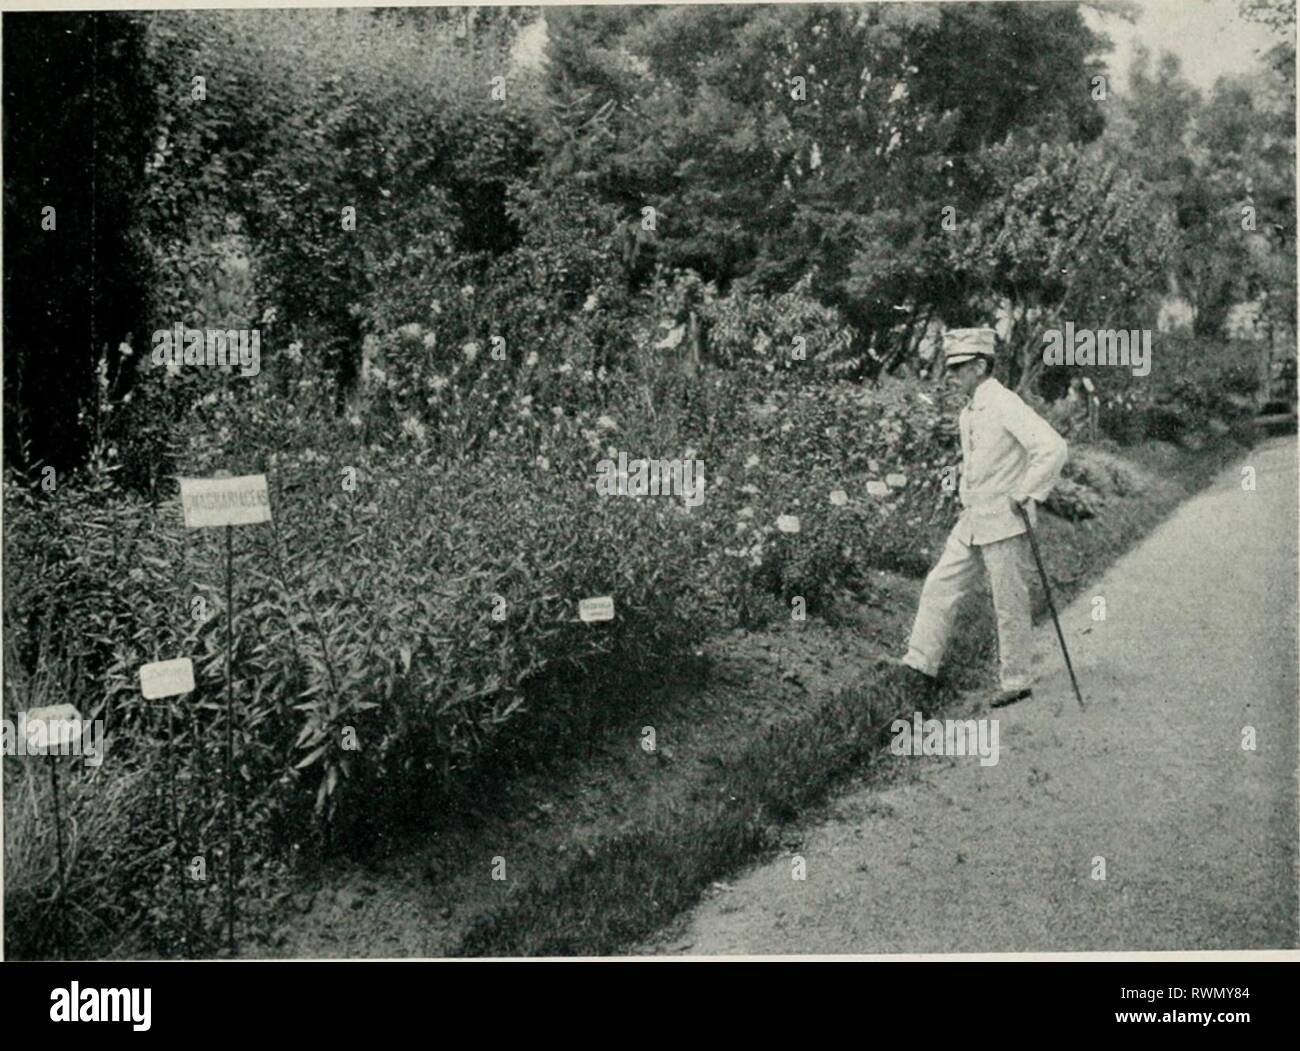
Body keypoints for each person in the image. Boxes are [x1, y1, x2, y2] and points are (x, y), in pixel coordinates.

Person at [888, 327, 1068, 708]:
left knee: (1009, 601)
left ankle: (1016, 679)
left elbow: (1052, 447)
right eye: (950, 367)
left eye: (959, 367)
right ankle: (918, 665)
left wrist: (1025, 492)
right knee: (940, 583)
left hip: (1005, 520)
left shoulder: (1004, 403)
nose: (951, 375)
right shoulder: (969, 411)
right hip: (973, 518)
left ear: (981, 366)